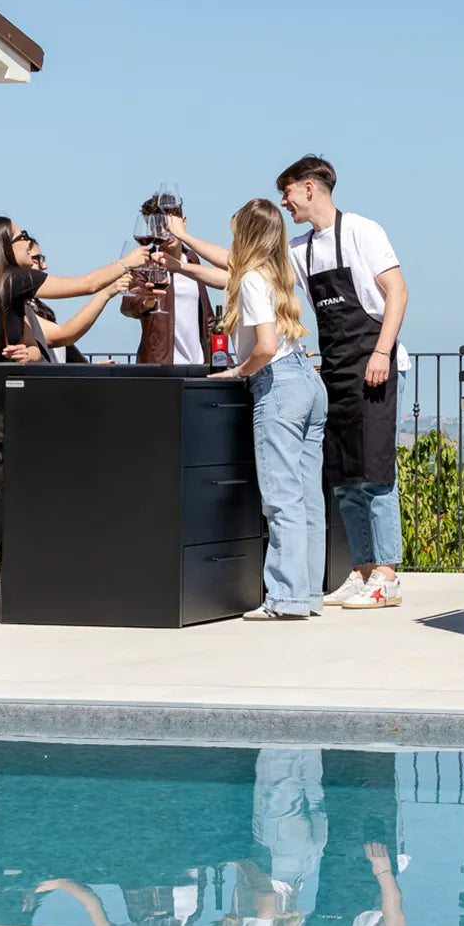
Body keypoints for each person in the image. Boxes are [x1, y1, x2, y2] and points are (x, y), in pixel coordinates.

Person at [0, 217, 143, 561]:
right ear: (3, 246)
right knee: (36, 433)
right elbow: (87, 283)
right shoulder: (13, 279)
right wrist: (126, 263)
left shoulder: (0, 295)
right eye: (22, 237)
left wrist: (32, 350)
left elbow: (56, 338)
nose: (29, 244)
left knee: (32, 443)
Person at [278, 156, 409, 611]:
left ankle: (388, 576)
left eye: (288, 191)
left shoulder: (361, 231)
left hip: (375, 364)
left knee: (375, 473)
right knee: (344, 480)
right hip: (334, 370)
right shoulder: (301, 249)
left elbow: (398, 291)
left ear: (310, 188)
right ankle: (364, 569)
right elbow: (246, 271)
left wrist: (381, 352)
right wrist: (185, 257)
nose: (284, 201)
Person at [189, 198, 327, 621]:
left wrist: (237, 373)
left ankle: (285, 599)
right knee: (307, 498)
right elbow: (223, 273)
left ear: (244, 235)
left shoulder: (250, 278)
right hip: (308, 381)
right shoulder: (275, 272)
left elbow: (265, 346)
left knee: (281, 498)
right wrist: (182, 261)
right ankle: (307, 595)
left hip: (279, 385)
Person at [120, 195, 215, 364]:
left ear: (183, 222)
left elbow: (207, 317)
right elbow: (128, 305)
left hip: (199, 364)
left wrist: (220, 359)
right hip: (161, 365)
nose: (166, 231)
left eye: (170, 224)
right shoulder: (145, 261)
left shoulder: (192, 258)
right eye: (160, 226)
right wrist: (146, 301)